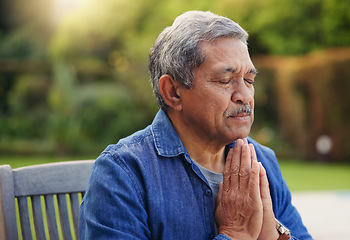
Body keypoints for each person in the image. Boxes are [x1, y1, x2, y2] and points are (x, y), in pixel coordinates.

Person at [79, 10, 313, 240]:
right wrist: (235, 234)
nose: (244, 95)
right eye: (224, 80)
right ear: (173, 93)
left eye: (249, 80)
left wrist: (274, 236)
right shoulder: (123, 173)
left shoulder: (263, 162)